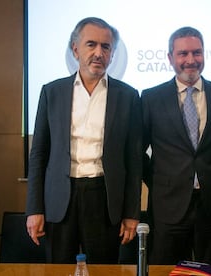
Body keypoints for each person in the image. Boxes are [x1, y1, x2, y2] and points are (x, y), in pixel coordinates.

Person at [25, 17, 143, 264]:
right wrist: (34, 209)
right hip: (60, 198)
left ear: (112, 54)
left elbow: (133, 160)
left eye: (106, 47)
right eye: (91, 45)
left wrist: (132, 214)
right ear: (76, 49)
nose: (99, 53)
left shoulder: (128, 96)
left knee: (103, 269)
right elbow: (38, 154)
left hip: (104, 198)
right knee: (58, 268)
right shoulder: (52, 92)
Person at [141, 26, 211, 265]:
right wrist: (159, 180)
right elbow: (137, 151)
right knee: (166, 269)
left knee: (210, 270)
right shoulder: (151, 97)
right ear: (170, 58)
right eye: (183, 54)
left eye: (197, 52)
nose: (190, 60)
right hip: (167, 205)